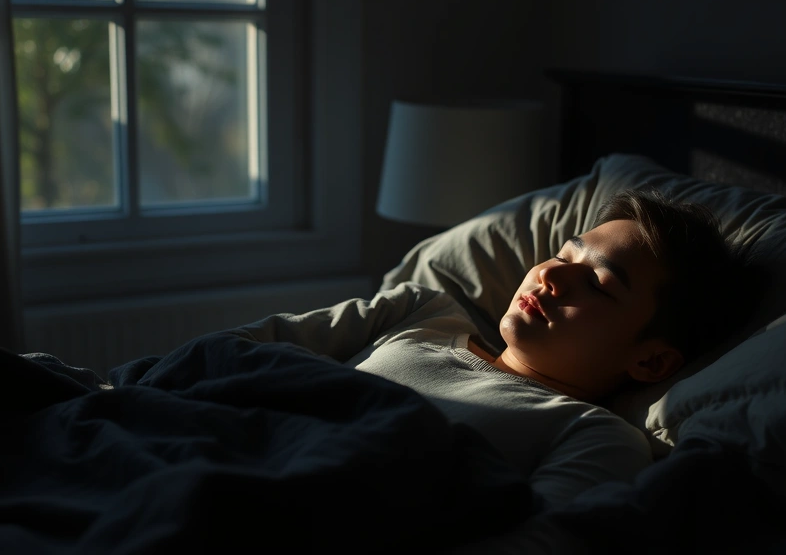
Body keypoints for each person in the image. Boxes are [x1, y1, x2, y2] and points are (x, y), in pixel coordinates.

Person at [230, 188, 741, 511]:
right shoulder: (418, 311)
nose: (551, 274)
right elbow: (243, 349)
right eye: (564, 254)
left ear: (651, 360)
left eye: (599, 284)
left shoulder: (593, 436)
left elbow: (543, 541)